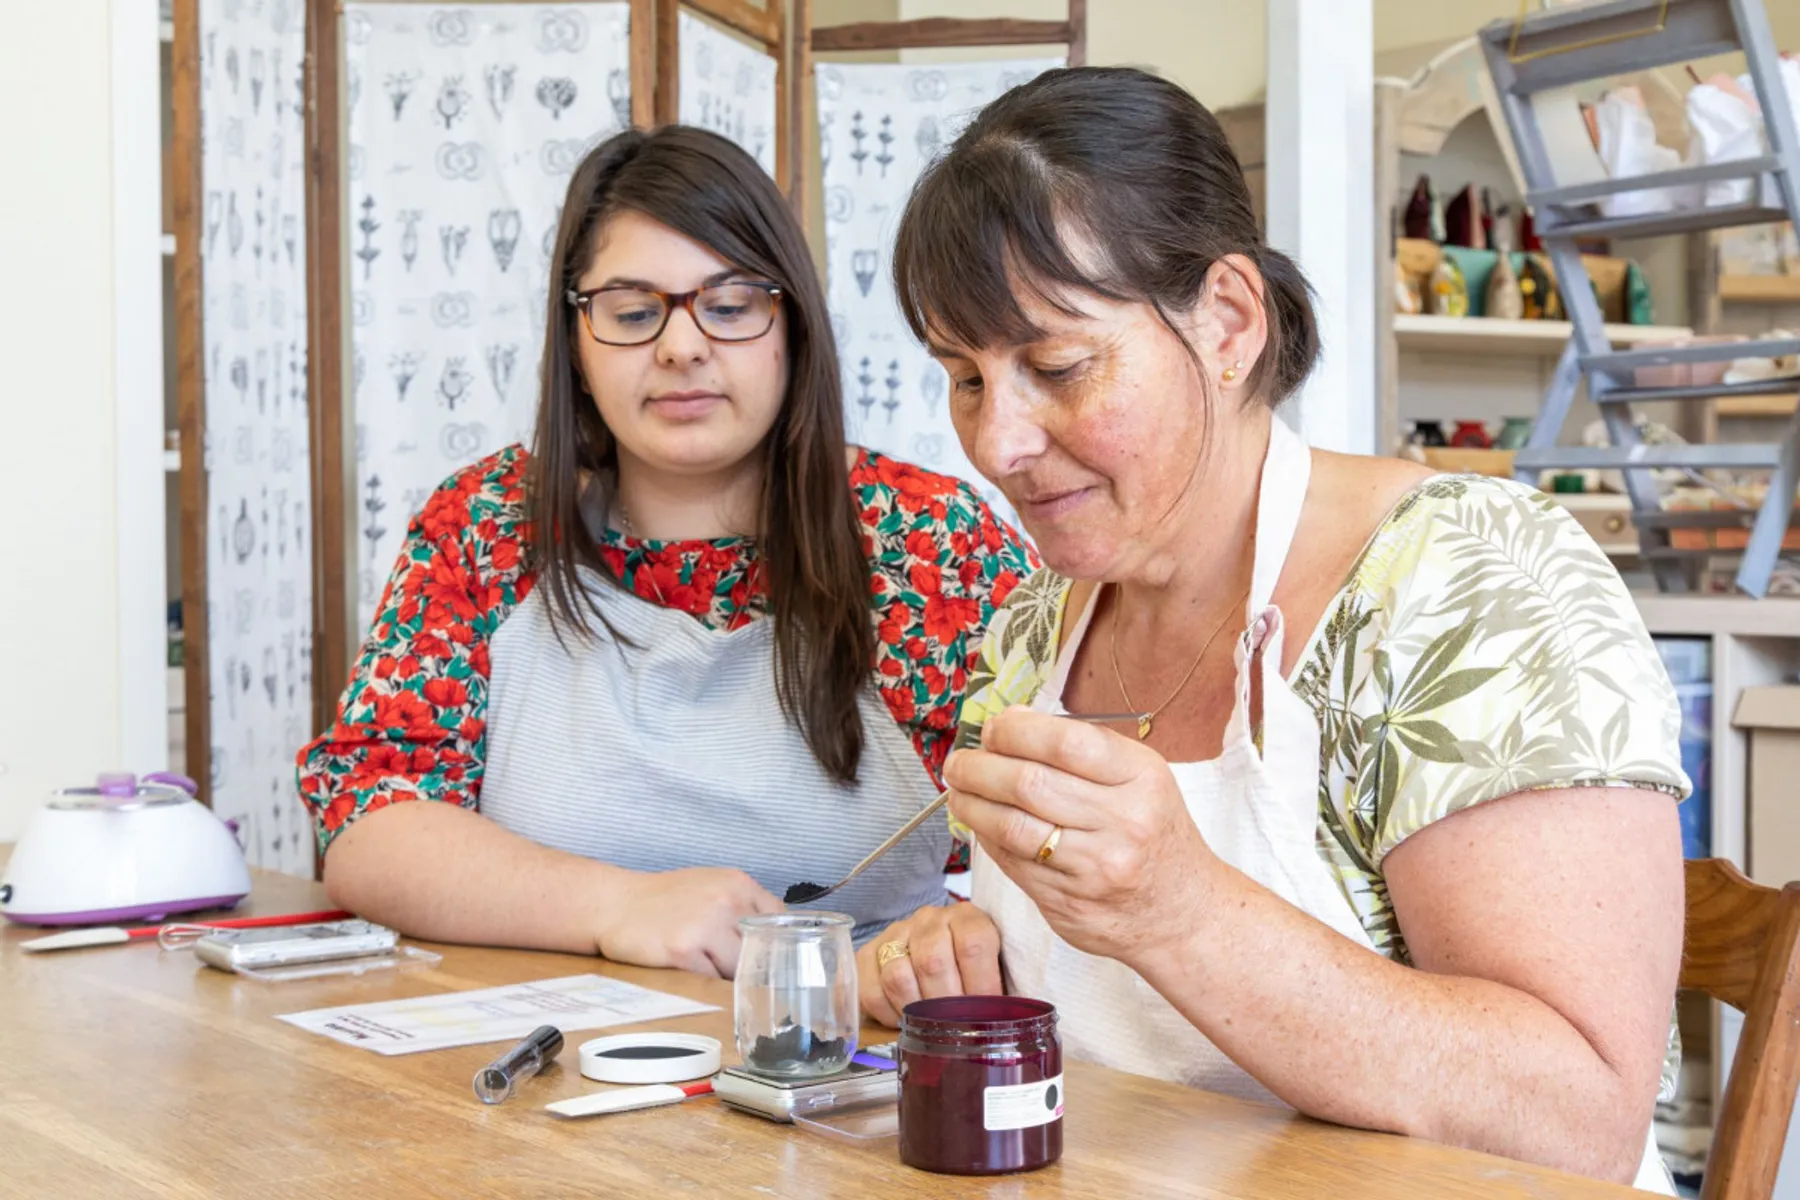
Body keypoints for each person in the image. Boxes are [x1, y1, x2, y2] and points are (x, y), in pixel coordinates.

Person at [858, 67, 1688, 1191]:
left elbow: (1578, 1119)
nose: (997, 443)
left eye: (1057, 366)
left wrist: (1183, 912)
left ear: (1230, 322)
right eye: (964, 378)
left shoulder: (1470, 583)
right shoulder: (1037, 624)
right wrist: (948, 955)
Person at [297, 126, 1034, 977]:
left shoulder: (926, 541)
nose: (682, 347)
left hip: (852, 1038)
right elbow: (370, 816)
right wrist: (616, 906)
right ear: (576, 343)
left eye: (730, 305)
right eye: (633, 312)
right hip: (539, 1042)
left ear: (793, 327)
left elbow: (1052, 829)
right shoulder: (488, 526)